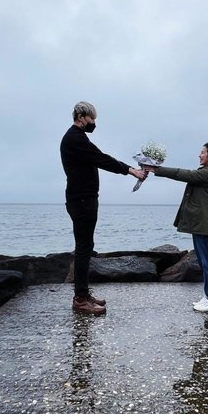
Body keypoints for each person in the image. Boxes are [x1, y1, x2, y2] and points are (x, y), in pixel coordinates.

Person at [60, 101, 146, 315]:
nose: (94, 123)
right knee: (83, 248)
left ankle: (83, 293)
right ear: (81, 117)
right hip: (81, 200)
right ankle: (80, 299)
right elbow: (102, 159)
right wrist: (130, 171)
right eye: (92, 119)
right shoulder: (74, 139)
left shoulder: (79, 138)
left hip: (83, 198)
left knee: (86, 247)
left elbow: (98, 158)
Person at [144, 142, 208, 312]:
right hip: (202, 222)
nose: (199, 155)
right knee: (206, 261)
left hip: (205, 224)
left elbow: (183, 174)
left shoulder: (207, 174)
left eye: (202, 152)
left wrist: (156, 169)